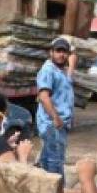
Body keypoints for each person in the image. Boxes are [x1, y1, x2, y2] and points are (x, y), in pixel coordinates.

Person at [35, 37, 75, 177]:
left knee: (48, 162)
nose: (61, 54)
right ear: (51, 52)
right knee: (55, 165)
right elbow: (44, 96)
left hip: (59, 125)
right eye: (58, 51)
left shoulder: (60, 71)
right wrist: (56, 118)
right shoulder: (48, 70)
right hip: (52, 125)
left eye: (64, 52)